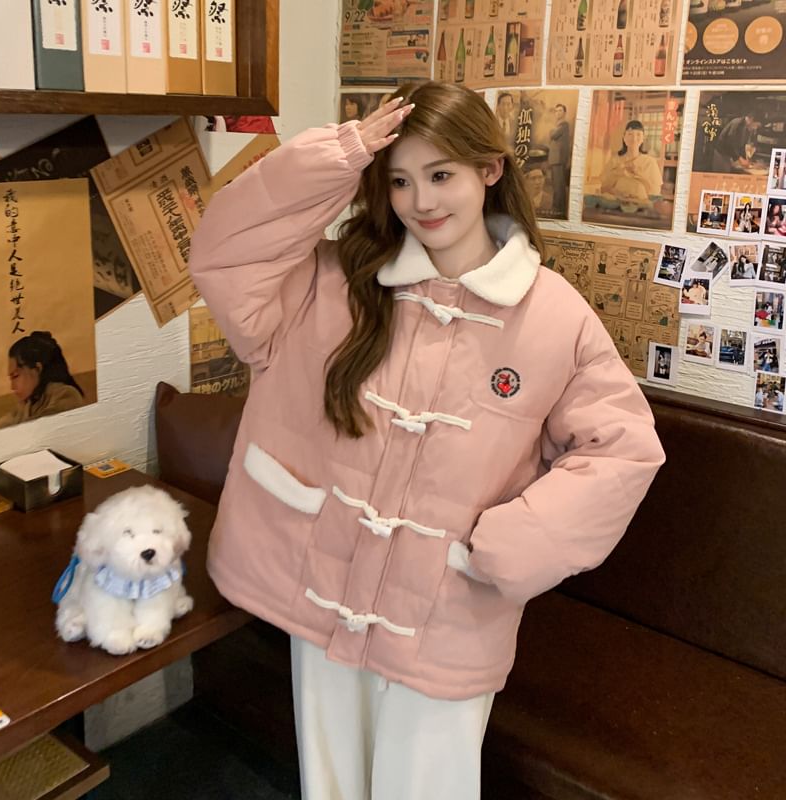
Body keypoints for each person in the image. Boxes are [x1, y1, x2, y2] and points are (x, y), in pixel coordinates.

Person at [188, 81, 664, 800]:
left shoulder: (555, 316)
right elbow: (227, 251)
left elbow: (623, 448)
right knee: (331, 785)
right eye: (400, 180)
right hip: (324, 586)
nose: (421, 201)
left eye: (441, 174)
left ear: (490, 169)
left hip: (448, 610)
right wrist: (341, 154)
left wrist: (512, 544)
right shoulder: (335, 281)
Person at [0, 331, 84, 429]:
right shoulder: (26, 404)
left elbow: (43, 427)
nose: (12, 387)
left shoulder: (67, 395)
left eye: (15, 376)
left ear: (37, 369)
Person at [600, 120, 663, 204]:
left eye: (638, 134)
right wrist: (617, 173)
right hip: (617, 204)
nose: (634, 138)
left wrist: (638, 175)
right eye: (630, 134)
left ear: (643, 138)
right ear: (624, 138)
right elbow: (603, 188)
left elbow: (655, 193)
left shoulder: (650, 162)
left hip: (642, 205)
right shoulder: (615, 160)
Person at [548, 103, 570, 216]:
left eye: (560, 110)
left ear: (564, 113)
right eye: (556, 111)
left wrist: (551, 131)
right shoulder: (558, 125)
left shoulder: (564, 125)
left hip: (559, 159)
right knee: (556, 185)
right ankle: (558, 208)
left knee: (559, 185)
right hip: (555, 159)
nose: (557, 113)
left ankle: (558, 209)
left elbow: (553, 135)